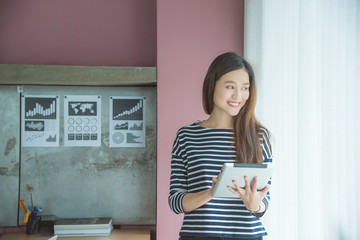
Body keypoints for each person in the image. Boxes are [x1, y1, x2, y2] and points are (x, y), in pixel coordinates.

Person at [168, 52, 273, 240]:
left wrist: (255, 205)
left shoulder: (258, 136)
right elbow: (175, 201)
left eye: (245, 88)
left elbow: (264, 201)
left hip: (247, 236)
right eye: (230, 86)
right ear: (212, 85)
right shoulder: (187, 136)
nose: (238, 95)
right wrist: (211, 193)